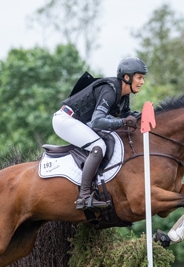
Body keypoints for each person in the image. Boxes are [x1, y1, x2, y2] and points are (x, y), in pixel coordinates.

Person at [52, 57, 148, 210]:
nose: (142, 82)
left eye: (143, 78)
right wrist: (124, 122)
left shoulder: (124, 95)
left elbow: (126, 115)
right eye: (139, 77)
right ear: (127, 77)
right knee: (99, 146)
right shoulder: (110, 90)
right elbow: (97, 121)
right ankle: (83, 196)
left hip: (77, 122)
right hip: (65, 120)